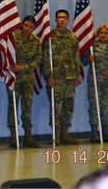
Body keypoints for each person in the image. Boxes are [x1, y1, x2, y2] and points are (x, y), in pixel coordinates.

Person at [42, 9, 80, 145]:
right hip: (56, 77)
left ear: (68, 20)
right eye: (59, 18)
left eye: (64, 17)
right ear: (55, 20)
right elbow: (46, 58)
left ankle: (65, 134)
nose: (62, 20)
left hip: (70, 77)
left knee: (68, 106)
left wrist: (76, 76)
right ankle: (56, 135)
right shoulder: (50, 36)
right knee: (56, 107)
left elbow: (76, 57)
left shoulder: (73, 37)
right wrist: (49, 76)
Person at [81, 24, 108, 143]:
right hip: (94, 82)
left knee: (106, 107)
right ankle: (94, 133)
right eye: (101, 33)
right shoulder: (92, 47)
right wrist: (89, 59)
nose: (103, 35)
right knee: (94, 107)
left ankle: (106, 132)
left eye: (105, 33)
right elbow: (83, 62)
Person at [7, 15, 41, 149]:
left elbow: (38, 59)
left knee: (27, 108)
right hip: (13, 78)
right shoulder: (13, 38)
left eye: (31, 27)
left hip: (28, 78)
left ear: (34, 28)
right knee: (13, 107)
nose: (27, 29)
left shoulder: (35, 40)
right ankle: (13, 137)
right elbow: (6, 54)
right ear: (22, 24)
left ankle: (28, 137)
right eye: (26, 25)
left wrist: (24, 66)